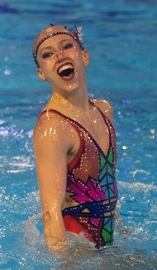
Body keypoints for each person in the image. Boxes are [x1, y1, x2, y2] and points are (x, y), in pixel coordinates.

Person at [32, 25, 117, 252]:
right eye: (48, 54)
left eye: (67, 46)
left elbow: (106, 185)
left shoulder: (104, 110)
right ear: (42, 73)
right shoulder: (53, 127)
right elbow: (50, 212)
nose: (60, 56)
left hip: (106, 244)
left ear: (84, 56)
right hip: (78, 252)